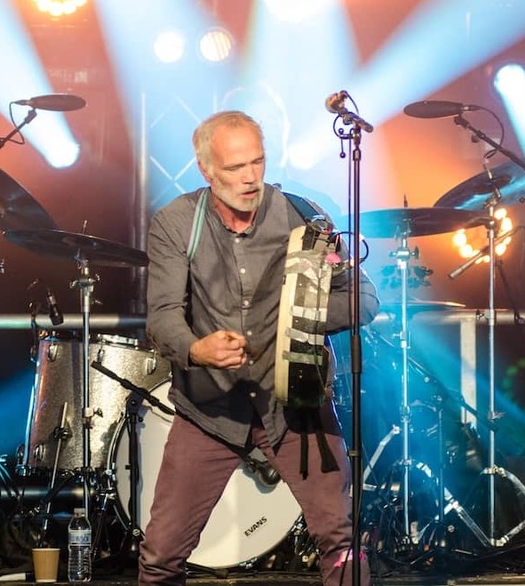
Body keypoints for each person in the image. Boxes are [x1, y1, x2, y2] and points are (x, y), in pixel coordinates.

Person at [138, 110, 380, 586]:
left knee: (341, 545)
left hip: (295, 404)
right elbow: (162, 316)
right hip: (210, 408)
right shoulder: (176, 222)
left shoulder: (305, 217)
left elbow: (364, 298)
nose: (250, 177)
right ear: (206, 169)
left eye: (258, 162)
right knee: (160, 554)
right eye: (234, 168)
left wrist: (299, 316)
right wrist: (197, 348)